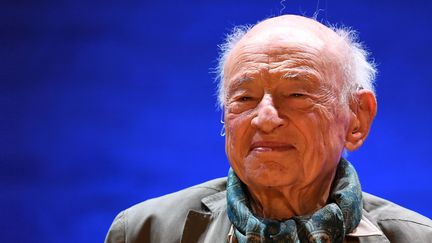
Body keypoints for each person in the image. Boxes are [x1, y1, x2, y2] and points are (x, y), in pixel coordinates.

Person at [105, 15, 432, 242]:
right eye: (244, 97)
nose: (264, 117)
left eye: (297, 94)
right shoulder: (143, 233)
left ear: (357, 119)